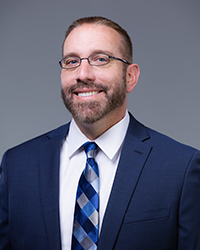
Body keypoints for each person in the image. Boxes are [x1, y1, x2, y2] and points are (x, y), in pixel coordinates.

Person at [0, 16, 200, 250]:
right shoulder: (17, 165)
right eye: (72, 61)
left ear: (130, 77)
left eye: (100, 59)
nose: (83, 74)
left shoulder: (181, 168)